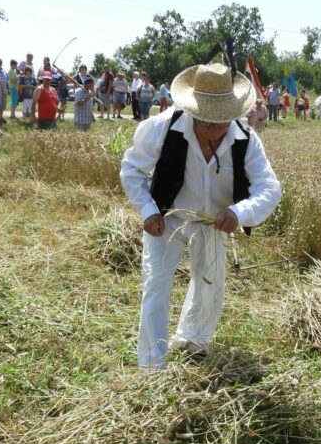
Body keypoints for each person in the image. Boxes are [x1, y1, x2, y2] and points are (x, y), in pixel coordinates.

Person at [120, 62, 281, 369]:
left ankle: (192, 341)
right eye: (204, 120)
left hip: (213, 221)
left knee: (209, 284)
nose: (211, 129)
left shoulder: (246, 140)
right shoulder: (163, 127)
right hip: (167, 217)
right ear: (192, 109)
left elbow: (270, 188)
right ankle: (152, 366)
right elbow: (132, 170)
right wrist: (148, 210)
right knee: (157, 284)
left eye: (219, 121)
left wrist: (239, 212)